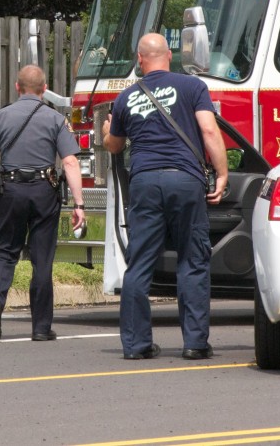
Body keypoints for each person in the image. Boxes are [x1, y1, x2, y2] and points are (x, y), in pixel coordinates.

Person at [101, 33, 228, 361]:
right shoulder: (192, 87)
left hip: (144, 182)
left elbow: (114, 145)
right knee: (192, 259)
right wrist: (222, 173)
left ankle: (136, 345)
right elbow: (210, 130)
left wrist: (105, 133)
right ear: (169, 55)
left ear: (139, 60)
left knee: (139, 263)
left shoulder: (126, 97)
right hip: (185, 180)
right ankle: (195, 343)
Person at [0, 65, 86, 342]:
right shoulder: (56, 119)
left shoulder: (0, 117)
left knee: (5, 251)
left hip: (10, 190)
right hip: (44, 190)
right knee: (42, 259)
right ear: (44, 90)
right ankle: (41, 327)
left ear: (17, 88)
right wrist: (79, 204)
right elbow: (69, 161)